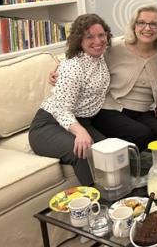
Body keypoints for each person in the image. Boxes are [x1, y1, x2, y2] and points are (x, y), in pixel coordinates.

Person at [29, 14, 111, 185]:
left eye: (101, 35)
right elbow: (61, 109)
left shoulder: (99, 54)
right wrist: (80, 132)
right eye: (89, 37)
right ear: (79, 40)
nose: (98, 41)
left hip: (81, 121)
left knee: (108, 149)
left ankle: (118, 196)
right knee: (82, 150)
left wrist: (57, 68)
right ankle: (95, 201)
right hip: (49, 124)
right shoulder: (73, 67)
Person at [91, 5, 157, 155]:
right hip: (111, 109)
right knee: (142, 134)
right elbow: (85, 55)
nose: (147, 28)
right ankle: (136, 174)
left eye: (153, 24)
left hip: (144, 111)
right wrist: (59, 70)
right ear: (134, 26)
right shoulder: (114, 46)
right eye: (141, 23)